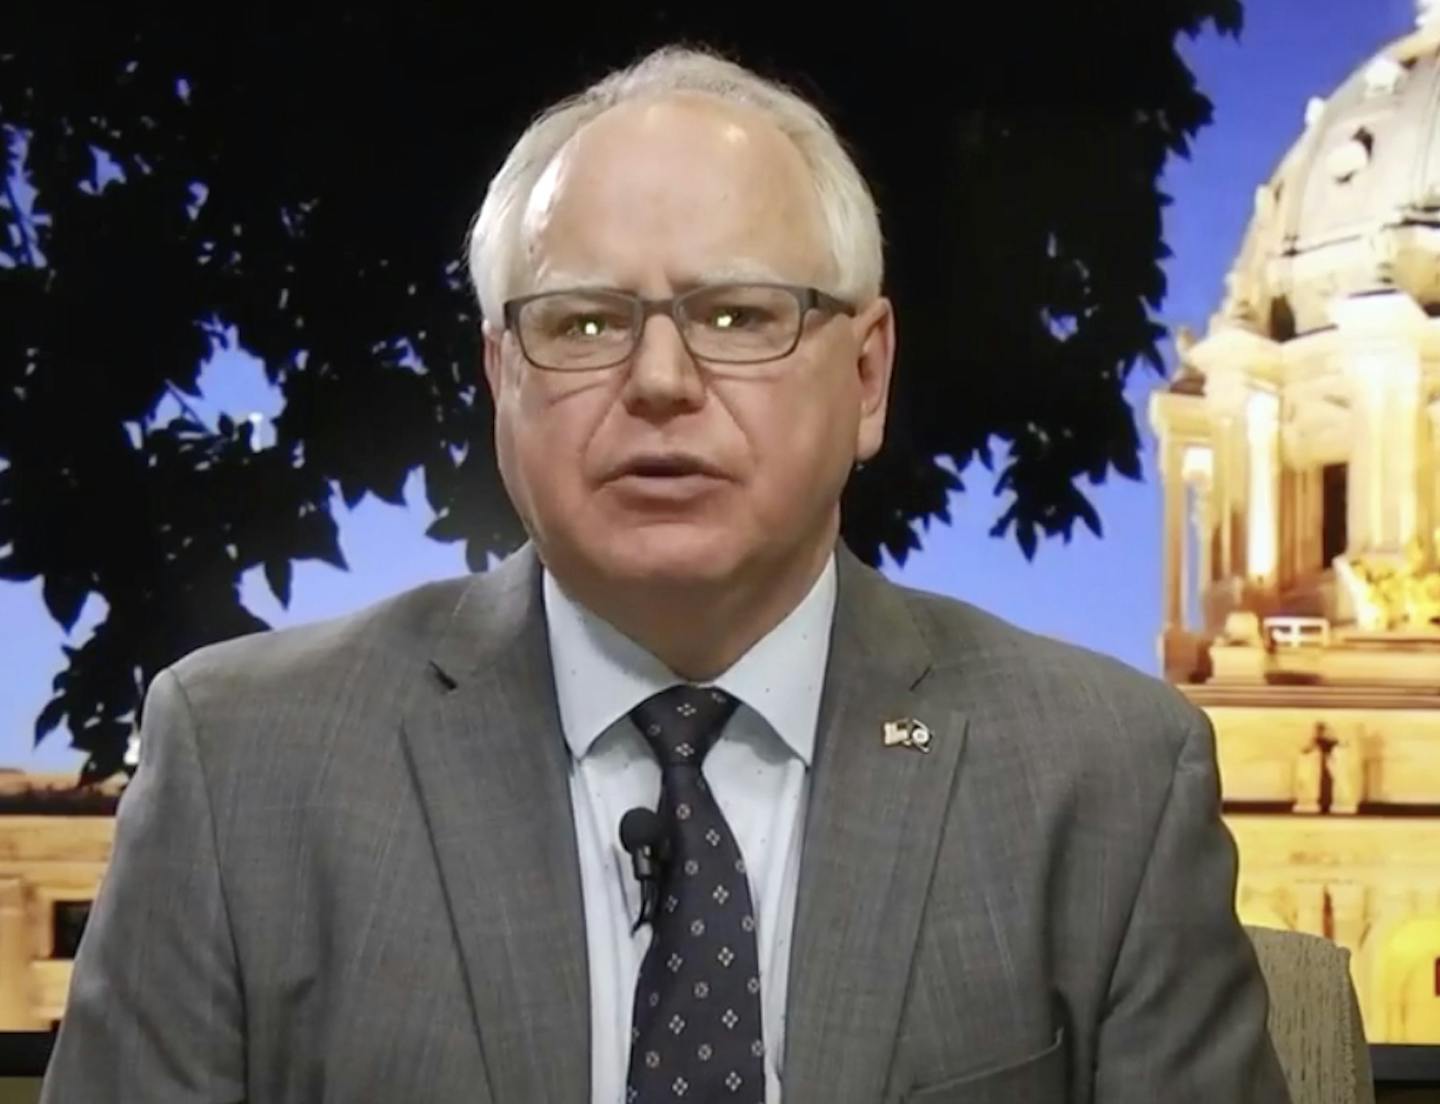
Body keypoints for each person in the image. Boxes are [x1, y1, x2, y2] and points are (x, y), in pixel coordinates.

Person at [40, 44, 1290, 1104]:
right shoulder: (240, 763)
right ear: (500, 381)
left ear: (865, 376)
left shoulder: (1106, 778)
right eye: (581, 322)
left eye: (740, 315)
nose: (658, 380)